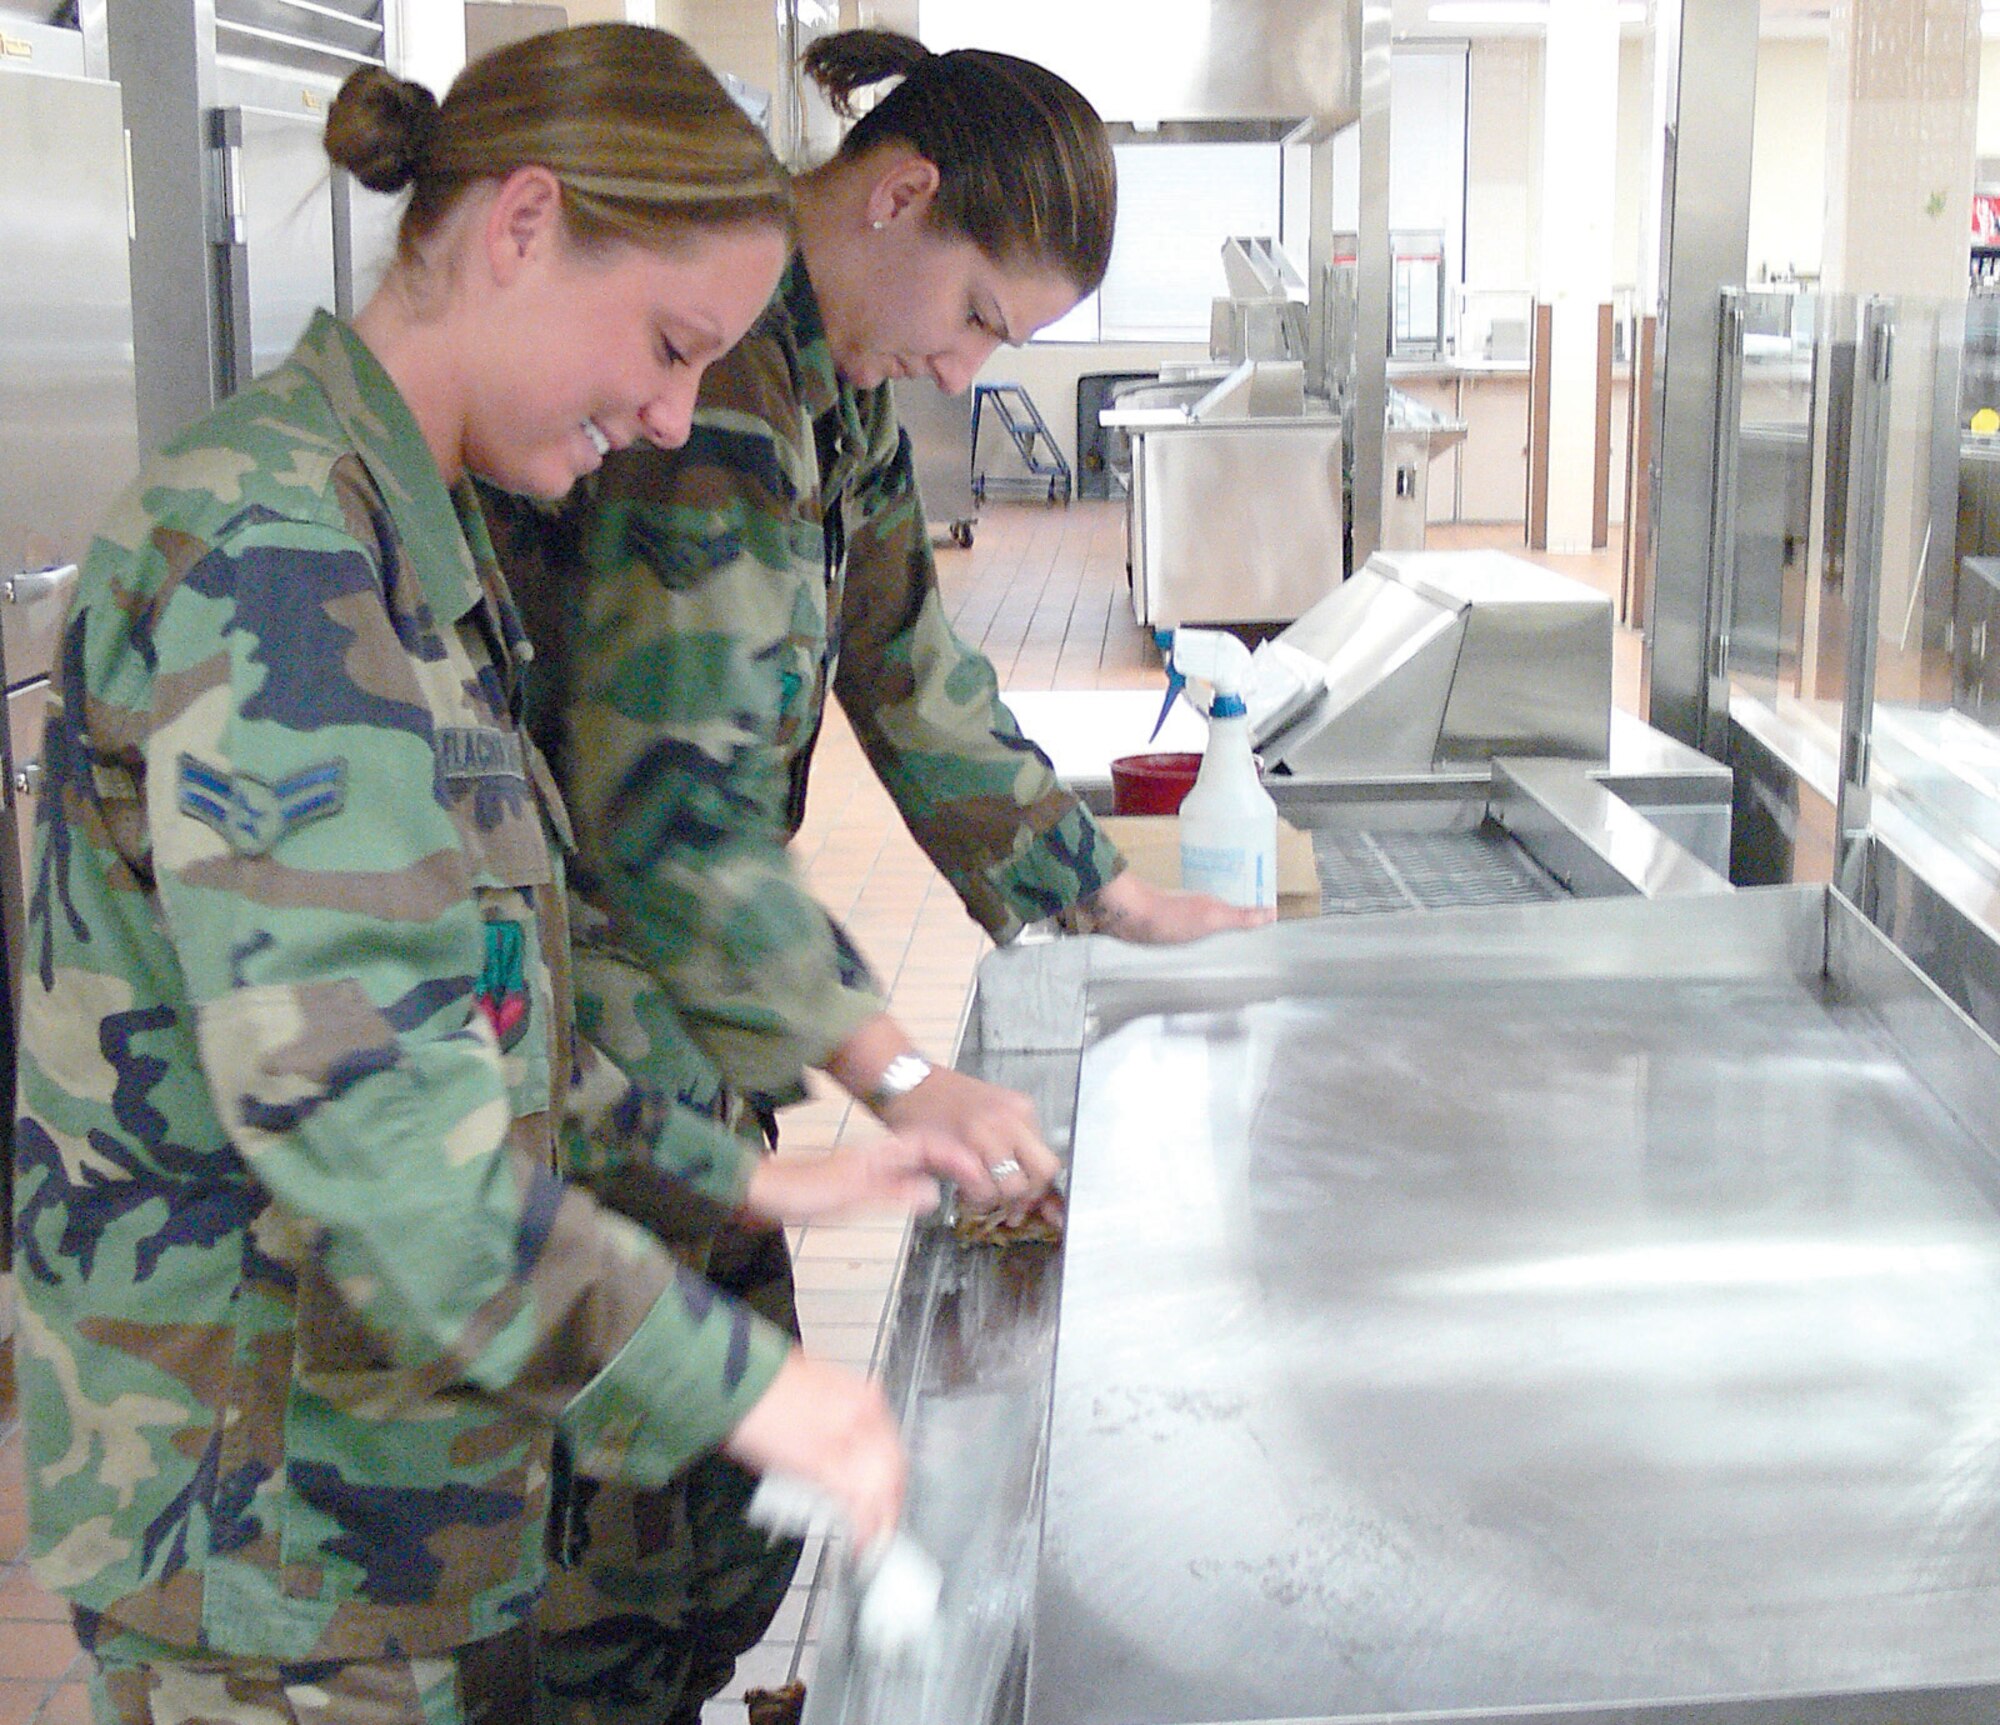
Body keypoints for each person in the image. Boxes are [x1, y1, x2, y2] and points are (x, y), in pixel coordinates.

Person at [7, 26, 945, 1725]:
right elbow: (391, 1154)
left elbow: (474, 1011)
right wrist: (754, 1386)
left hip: (386, 1511)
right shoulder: (280, 563)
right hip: (267, 1547)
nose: (672, 416)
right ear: (522, 226)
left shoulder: (413, 541)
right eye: (666, 347)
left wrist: (712, 1171)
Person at [483, 29, 1269, 1725]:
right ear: (900, 194)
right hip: (590, 1044)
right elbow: (665, 815)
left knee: (713, 1537)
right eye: (980, 312)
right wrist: (897, 1073)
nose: (961, 363)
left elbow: (907, 660)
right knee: (614, 1566)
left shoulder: (825, 381)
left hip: (689, 1036)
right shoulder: (718, 392)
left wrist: (1101, 893)